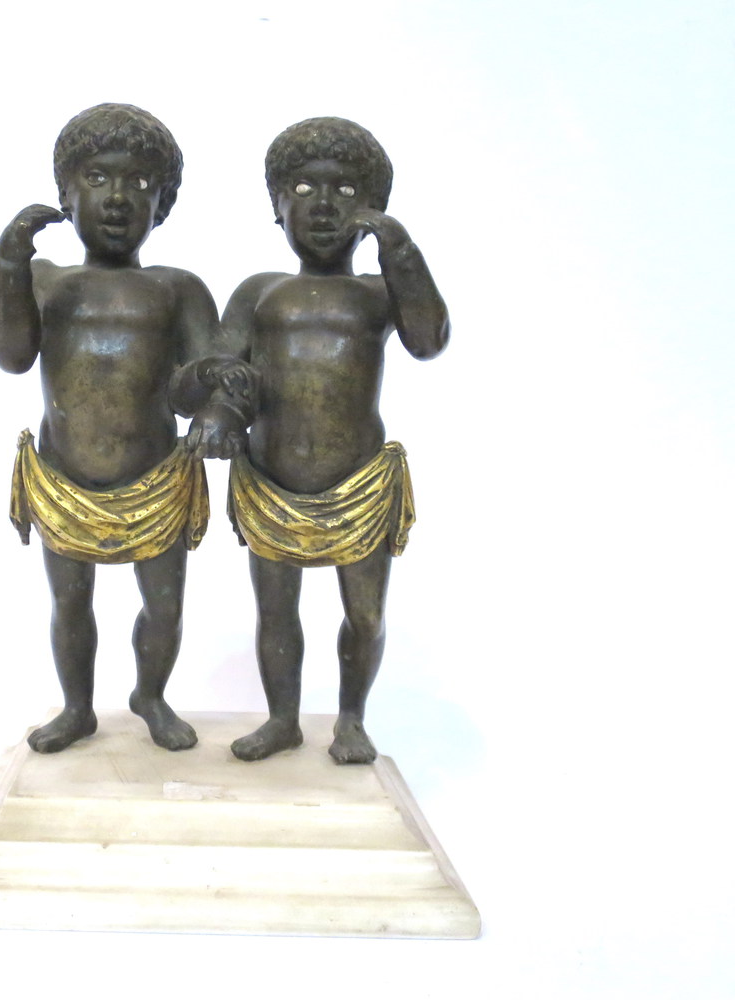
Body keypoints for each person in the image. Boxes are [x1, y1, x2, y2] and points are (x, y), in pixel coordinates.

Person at [0, 104, 247, 753]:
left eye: (140, 182)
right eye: (98, 177)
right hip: (64, 479)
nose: (118, 197)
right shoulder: (46, 280)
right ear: (66, 193)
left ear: (163, 204)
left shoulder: (178, 289)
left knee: (164, 605)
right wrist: (9, 265)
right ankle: (77, 708)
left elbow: (207, 376)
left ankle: (150, 695)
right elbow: (10, 353)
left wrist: (214, 405)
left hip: (156, 480)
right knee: (70, 603)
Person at [223, 117, 450, 763]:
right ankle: (283, 719)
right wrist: (219, 410)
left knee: (367, 613)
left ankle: (352, 719)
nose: (323, 206)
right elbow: (219, 368)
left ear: (373, 207)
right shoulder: (259, 293)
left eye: (346, 191)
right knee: (275, 613)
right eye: (302, 189)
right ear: (276, 204)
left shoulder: (377, 293)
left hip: (360, 486)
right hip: (271, 483)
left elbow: (429, 340)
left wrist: (400, 253)